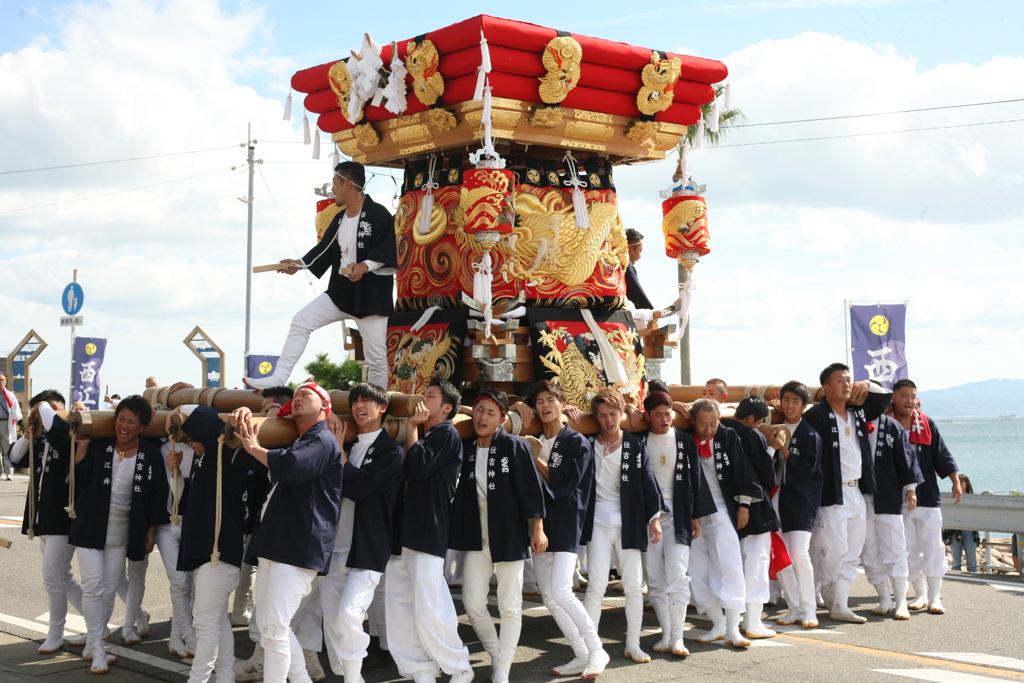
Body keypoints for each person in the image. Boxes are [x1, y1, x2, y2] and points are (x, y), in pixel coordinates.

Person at [243, 161, 397, 390]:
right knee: (301, 321)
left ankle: (378, 406)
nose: (332, 188)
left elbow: (387, 249)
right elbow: (323, 251)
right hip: (341, 291)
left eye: (335, 183)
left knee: (375, 358)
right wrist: (299, 264)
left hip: (370, 294)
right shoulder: (340, 218)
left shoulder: (378, 214)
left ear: (347, 184)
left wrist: (364, 266)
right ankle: (277, 379)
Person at [237, 382, 343, 683]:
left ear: (325, 406)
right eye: (294, 397)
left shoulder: (322, 439)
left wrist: (256, 448)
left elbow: (294, 465)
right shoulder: (305, 438)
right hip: (280, 544)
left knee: (275, 626)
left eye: (305, 396)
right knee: (274, 626)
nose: (297, 400)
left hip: (297, 547)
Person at [449, 388, 546, 683]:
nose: (483, 417)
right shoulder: (466, 447)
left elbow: (532, 490)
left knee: (510, 604)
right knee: (473, 602)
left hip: (509, 532)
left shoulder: (515, 446)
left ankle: (502, 670)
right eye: (479, 409)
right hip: (476, 533)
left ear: (503, 418)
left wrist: (538, 529)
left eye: (491, 412)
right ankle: (496, 653)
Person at [70, 396, 169, 674]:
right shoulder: (101, 446)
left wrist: (150, 529)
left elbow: (156, 495)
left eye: (131, 422)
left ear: (142, 426)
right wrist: (83, 447)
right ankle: (98, 647)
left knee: (109, 589)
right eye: (120, 419)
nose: (123, 426)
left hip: (123, 531)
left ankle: (94, 639)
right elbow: (78, 480)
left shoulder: (149, 454)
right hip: (91, 526)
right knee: (93, 587)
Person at [165, 402, 263, 683]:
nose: (191, 441)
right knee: (217, 622)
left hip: (218, 553)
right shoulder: (207, 458)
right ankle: (225, 677)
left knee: (205, 624)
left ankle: (198, 679)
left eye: (194, 437)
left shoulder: (229, 453)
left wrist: (241, 408)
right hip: (210, 551)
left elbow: (203, 416)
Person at [385, 378, 474, 683]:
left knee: (429, 606)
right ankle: (419, 670)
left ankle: (459, 666)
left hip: (427, 530)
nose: (422, 399)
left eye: (430, 395)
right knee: (400, 606)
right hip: (405, 530)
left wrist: (410, 428)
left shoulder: (446, 432)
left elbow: (417, 467)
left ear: (447, 408)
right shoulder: (427, 434)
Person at [321, 383, 404, 683]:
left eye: (367, 401)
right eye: (355, 401)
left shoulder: (390, 450)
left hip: (367, 548)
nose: (360, 406)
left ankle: (354, 678)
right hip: (333, 547)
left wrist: (339, 452)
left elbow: (358, 487)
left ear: (382, 408)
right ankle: (344, 675)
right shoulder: (347, 445)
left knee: (348, 614)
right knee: (331, 621)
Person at [526, 380, 607, 677]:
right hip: (539, 523)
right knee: (548, 595)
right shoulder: (533, 437)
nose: (545, 406)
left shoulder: (576, 442)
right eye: (539, 402)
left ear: (563, 405)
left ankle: (597, 650)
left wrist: (535, 457)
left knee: (561, 590)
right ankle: (581, 653)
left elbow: (563, 484)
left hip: (564, 521)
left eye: (551, 400)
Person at [804, 363, 891, 624]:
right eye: (840, 381)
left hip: (857, 491)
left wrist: (866, 384)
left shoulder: (858, 412)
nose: (846, 384)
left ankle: (840, 602)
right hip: (831, 493)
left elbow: (885, 397)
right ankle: (826, 589)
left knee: (853, 549)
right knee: (833, 548)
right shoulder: (816, 416)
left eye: (848, 380)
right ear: (826, 388)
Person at [582, 389, 663, 666]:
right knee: (596, 585)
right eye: (602, 415)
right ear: (595, 418)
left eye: (613, 414)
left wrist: (653, 519)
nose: (608, 420)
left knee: (632, 585)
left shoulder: (633, 445)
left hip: (629, 519)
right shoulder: (587, 443)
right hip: (598, 519)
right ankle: (590, 646)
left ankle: (633, 644)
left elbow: (648, 482)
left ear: (622, 413)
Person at [8, 390, 83, 654]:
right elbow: (14, 458)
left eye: (48, 410)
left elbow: (58, 430)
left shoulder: (70, 434)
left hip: (63, 518)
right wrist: (28, 432)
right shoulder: (39, 439)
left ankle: (56, 633)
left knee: (52, 578)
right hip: (42, 517)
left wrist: (44, 408)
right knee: (64, 577)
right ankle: (100, 625)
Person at [687, 398, 760, 648]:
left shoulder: (728, 437)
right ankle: (716, 622)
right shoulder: (685, 439)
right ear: (693, 421)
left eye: (713, 423)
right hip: (694, 510)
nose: (708, 429)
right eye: (703, 424)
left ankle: (732, 627)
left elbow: (742, 470)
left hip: (721, 507)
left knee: (729, 563)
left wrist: (744, 505)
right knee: (696, 567)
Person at [638, 390, 705, 657]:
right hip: (650, 515)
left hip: (679, 513)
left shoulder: (684, 440)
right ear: (647, 416)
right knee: (654, 576)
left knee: (677, 573)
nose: (665, 419)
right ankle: (665, 633)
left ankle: (678, 637)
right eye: (658, 415)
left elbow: (695, 478)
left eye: (668, 414)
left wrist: (695, 515)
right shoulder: (638, 440)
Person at [890, 379, 962, 613]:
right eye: (904, 395)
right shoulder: (885, 425)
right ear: (894, 398)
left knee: (933, 546)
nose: (908, 400)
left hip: (927, 495)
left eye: (912, 396)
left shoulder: (925, 422)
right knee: (907, 547)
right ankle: (919, 593)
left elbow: (941, 453)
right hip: (897, 498)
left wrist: (955, 481)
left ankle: (934, 595)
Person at [721, 395, 782, 639]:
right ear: (750, 419)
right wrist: (771, 448)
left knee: (733, 564)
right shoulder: (751, 435)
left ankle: (732, 619)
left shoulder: (721, 430)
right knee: (756, 562)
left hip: (727, 506)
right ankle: (753, 621)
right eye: (758, 422)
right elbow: (764, 473)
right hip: (754, 508)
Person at [861, 398, 922, 620]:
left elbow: (906, 459)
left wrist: (911, 489)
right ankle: (884, 597)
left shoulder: (891, 426)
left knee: (895, 549)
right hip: (860, 497)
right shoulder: (854, 422)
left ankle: (901, 602)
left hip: (888, 496)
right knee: (869, 551)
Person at [772, 381, 824, 629]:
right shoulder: (772, 428)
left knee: (798, 553)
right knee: (781, 555)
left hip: (802, 501)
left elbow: (805, 470)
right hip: (775, 499)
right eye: (786, 400)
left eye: (795, 401)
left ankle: (809, 609)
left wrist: (782, 446)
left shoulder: (810, 435)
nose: (790, 405)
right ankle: (793, 607)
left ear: (804, 406)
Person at [946, 475, 978, 572]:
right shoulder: (952, 497)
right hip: (955, 530)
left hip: (970, 529)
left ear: (967, 484)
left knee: (971, 560)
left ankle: (973, 577)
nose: (958, 484)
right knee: (956, 561)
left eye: (961, 482)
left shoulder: (974, 498)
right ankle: (956, 580)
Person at [624, 229, 654, 310]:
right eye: (639, 251)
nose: (640, 256)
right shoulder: (626, 266)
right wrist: (649, 312)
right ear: (630, 248)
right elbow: (637, 294)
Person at [1, 373, 23, 480]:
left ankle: (9, 473)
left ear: (5, 382)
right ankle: (0, 471)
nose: (0, 382)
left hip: (6, 423)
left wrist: (14, 421)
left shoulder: (10, 395)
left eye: (2, 380)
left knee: (8, 448)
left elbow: (16, 411)